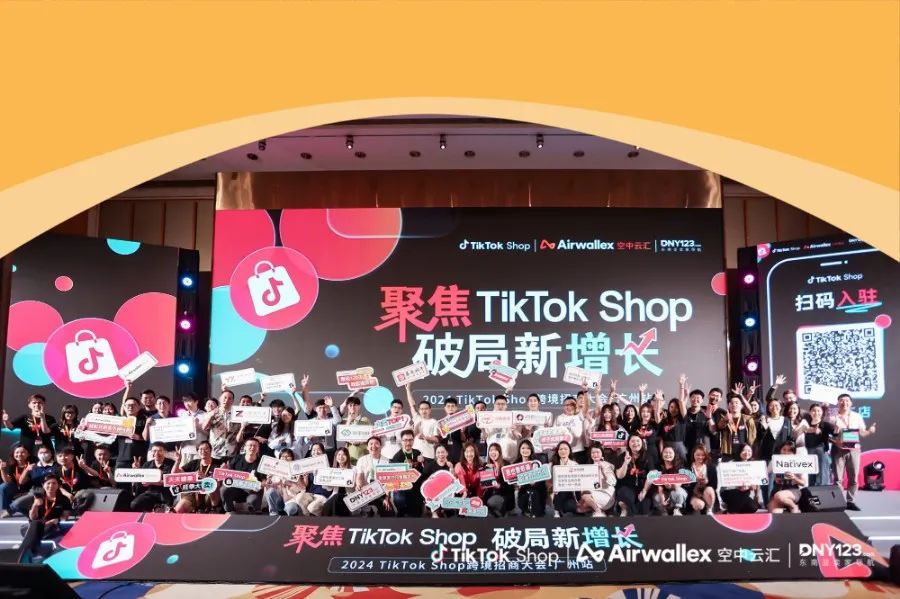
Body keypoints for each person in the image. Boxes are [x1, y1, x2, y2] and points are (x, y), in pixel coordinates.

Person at [830, 393, 876, 511]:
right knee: (838, 479)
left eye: (847, 400)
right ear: (838, 402)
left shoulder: (857, 416)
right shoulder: (832, 417)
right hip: (838, 449)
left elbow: (862, 433)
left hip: (854, 450)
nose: (844, 402)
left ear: (851, 403)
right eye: (841, 400)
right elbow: (828, 436)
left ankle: (851, 501)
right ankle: (839, 502)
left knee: (854, 478)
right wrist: (836, 442)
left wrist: (870, 431)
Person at [7, 446, 61, 516]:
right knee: (17, 504)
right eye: (41, 452)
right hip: (36, 490)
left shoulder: (57, 466)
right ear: (37, 454)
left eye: (46, 452)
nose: (43, 454)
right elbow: (21, 482)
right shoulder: (33, 466)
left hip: (52, 490)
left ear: (51, 454)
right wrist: (27, 470)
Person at [172, 441, 221, 513]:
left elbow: (219, 483)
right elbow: (174, 474)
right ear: (197, 451)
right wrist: (177, 461)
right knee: (179, 509)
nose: (203, 451)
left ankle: (213, 510)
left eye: (206, 449)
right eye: (200, 449)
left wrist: (206, 479)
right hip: (193, 494)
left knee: (213, 489)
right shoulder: (194, 463)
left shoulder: (218, 463)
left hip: (209, 494)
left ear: (211, 450)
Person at [27, 474, 71, 554]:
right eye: (48, 483)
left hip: (53, 525)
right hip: (37, 526)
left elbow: (65, 516)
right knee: (35, 525)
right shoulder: (36, 497)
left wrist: (57, 520)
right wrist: (35, 505)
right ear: (43, 485)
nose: (51, 486)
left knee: (56, 534)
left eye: (54, 483)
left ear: (58, 485)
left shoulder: (64, 500)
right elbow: (33, 518)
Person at [222, 438, 266, 513]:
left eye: (255, 446)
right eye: (250, 445)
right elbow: (229, 473)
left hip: (252, 491)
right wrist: (224, 470)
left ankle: (255, 510)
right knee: (224, 489)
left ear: (258, 448)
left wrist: (264, 483)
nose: (252, 448)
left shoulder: (262, 462)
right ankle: (230, 510)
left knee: (253, 500)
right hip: (237, 490)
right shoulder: (237, 458)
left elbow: (264, 480)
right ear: (245, 447)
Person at [550, 441, 594, 516]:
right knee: (560, 490)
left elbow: (581, 481)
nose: (563, 451)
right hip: (557, 494)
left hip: (571, 494)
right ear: (557, 451)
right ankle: (557, 511)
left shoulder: (574, 464)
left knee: (576, 509)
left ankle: (574, 508)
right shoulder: (552, 465)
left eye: (565, 449)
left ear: (569, 451)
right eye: (561, 449)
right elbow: (548, 481)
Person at [614, 435, 654, 516]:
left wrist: (644, 491)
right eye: (632, 441)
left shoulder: (648, 456)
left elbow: (652, 475)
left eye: (638, 441)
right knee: (624, 496)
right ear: (628, 444)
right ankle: (624, 509)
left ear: (642, 443)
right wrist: (625, 463)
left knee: (643, 508)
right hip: (627, 486)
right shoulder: (623, 456)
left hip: (643, 487)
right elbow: (619, 476)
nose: (635, 443)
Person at [352, 437, 392, 516]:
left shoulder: (387, 461)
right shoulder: (362, 460)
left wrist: (387, 497)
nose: (373, 446)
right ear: (367, 447)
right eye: (371, 444)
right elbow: (360, 476)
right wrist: (358, 485)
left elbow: (389, 482)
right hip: (366, 491)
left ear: (381, 446)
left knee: (388, 511)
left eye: (376, 443)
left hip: (381, 491)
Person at [130, 442, 176, 512]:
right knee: (134, 504)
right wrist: (137, 470)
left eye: (160, 450)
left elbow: (171, 481)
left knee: (168, 510)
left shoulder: (172, 464)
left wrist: (152, 482)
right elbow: (142, 482)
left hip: (166, 494)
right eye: (154, 451)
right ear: (151, 452)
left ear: (164, 452)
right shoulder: (147, 464)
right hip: (150, 493)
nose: (157, 453)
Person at [390, 429, 427, 517]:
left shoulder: (417, 453)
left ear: (413, 440)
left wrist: (423, 462)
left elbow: (424, 471)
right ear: (401, 441)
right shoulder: (397, 457)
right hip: (403, 489)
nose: (408, 443)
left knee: (416, 515)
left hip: (416, 488)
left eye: (410, 440)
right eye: (405, 440)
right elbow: (394, 478)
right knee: (401, 505)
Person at [719, 443, 761, 513]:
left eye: (749, 451)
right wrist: (738, 486)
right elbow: (726, 484)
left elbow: (756, 481)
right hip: (729, 491)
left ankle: (730, 509)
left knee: (753, 507)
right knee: (746, 492)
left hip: (743, 493)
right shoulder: (730, 464)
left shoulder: (752, 465)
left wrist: (753, 486)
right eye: (744, 450)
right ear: (739, 451)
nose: (747, 453)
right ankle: (731, 512)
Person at [768, 440, 808, 514]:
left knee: (779, 496)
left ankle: (793, 506)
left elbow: (803, 483)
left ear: (794, 453)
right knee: (774, 513)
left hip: (793, 490)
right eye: (784, 449)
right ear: (780, 450)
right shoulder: (774, 461)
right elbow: (765, 474)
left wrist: (794, 478)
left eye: (790, 450)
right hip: (777, 489)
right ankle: (788, 508)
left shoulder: (799, 463)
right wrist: (775, 479)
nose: (786, 452)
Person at [203, 386, 240, 461]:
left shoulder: (237, 414)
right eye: (225, 397)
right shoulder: (212, 413)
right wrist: (211, 416)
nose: (226, 400)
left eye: (230, 398)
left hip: (231, 451)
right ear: (220, 399)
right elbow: (204, 427)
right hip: (216, 451)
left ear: (232, 401)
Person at [801, 403, 834, 486]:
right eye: (814, 411)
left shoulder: (826, 424)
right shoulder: (805, 424)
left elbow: (835, 434)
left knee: (823, 472)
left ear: (822, 412)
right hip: (808, 451)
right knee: (809, 473)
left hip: (821, 451)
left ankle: (823, 489)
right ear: (810, 412)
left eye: (819, 411)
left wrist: (837, 430)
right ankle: (810, 490)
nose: (816, 413)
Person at [717, 392, 757, 460]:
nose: (734, 405)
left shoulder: (748, 419)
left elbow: (752, 435)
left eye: (736, 403)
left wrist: (749, 448)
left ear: (741, 406)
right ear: (729, 406)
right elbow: (719, 427)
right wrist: (726, 420)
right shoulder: (724, 418)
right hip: (728, 452)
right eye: (732, 403)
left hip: (744, 452)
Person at [480, 393, 518, 462]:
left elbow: (518, 436)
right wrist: (482, 429)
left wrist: (514, 430)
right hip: (493, 456)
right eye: (498, 404)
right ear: (494, 405)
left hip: (509, 456)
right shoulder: (488, 418)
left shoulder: (513, 417)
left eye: (503, 404)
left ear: (506, 406)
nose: (500, 406)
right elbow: (484, 437)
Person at [114, 397, 148, 474]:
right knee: (120, 481)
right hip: (122, 458)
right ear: (124, 407)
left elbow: (151, 438)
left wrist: (139, 437)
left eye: (133, 405)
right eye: (128, 405)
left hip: (139, 458)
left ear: (139, 407)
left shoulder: (145, 421)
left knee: (139, 480)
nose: (130, 407)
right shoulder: (118, 421)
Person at [514, 439, 547, 517]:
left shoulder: (537, 463)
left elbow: (542, 480)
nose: (525, 450)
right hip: (523, 491)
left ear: (531, 450)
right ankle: (526, 508)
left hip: (537, 490)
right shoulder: (515, 464)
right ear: (519, 450)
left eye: (528, 448)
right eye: (523, 448)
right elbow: (512, 481)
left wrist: (536, 482)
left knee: (534, 494)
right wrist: (516, 484)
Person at [405, 384, 439, 460]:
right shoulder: (417, 418)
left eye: (426, 409)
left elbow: (436, 439)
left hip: (428, 455)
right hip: (415, 454)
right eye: (422, 409)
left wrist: (424, 437)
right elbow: (411, 405)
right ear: (419, 410)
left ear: (430, 410)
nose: (424, 411)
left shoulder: (434, 422)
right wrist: (408, 389)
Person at [652, 446, 688, 515]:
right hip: (664, 491)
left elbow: (678, 484)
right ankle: (664, 511)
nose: (668, 454)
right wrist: (662, 497)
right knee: (657, 497)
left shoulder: (679, 466)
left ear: (674, 455)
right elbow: (659, 485)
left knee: (678, 493)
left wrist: (671, 486)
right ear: (662, 455)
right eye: (665, 452)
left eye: (670, 453)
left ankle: (677, 510)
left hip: (676, 489)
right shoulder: (658, 466)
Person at [582, 445, 617, 516]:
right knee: (582, 499)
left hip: (606, 493)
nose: (595, 454)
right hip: (594, 492)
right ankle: (598, 510)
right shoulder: (588, 467)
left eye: (597, 452)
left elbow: (613, 482)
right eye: (593, 453)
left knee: (585, 497)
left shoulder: (608, 465)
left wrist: (603, 470)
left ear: (602, 454)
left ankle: (598, 511)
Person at [481, 443, 514, 517]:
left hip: (503, 495)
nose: (493, 452)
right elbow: (484, 485)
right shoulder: (485, 465)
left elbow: (510, 487)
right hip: (490, 495)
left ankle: (502, 514)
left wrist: (499, 486)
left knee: (492, 502)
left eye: (495, 450)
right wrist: (486, 471)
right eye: (491, 450)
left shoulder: (506, 465)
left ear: (499, 452)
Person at [422, 444, 455, 518]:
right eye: (438, 452)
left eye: (443, 452)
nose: (441, 454)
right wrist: (429, 480)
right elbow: (423, 481)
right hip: (433, 493)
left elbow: (454, 481)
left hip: (446, 492)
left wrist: (452, 468)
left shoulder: (450, 465)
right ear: (436, 454)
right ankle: (434, 513)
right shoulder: (430, 465)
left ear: (447, 453)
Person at [0, 445, 32, 518]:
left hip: (28, 492)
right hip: (16, 490)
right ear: (13, 454)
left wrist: (27, 470)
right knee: (3, 486)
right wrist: (2, 470)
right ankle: (6, 510)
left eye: (22, 452)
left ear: (28, 454)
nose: (19, 454)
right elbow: (7, 481)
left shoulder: (31, 465)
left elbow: (22, 482)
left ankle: (14, 508)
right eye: (17, 452)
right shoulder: (12, 466)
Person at [686, 444, 718, 514]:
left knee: (709, 489)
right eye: (698, 455)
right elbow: (685, 486)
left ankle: (709, 509)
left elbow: (714, 486)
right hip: (694, 494)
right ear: (693, 455)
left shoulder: (711, 468)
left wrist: (707, 482)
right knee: (699, 505)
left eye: (703, 455)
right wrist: (695, 480)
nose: (700, 457)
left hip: (707, 493)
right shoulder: (687, 469)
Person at [179, 392, 208, 466]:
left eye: (189, 401)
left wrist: (198, 425)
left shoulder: (204, 415)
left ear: (196, 402)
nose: (187, 403)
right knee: (184, 470)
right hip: (185, 449)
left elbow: (208, 433)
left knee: (197, 470)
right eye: (185, 401)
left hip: (198, 450)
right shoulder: (182, 415)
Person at [340, 396, 371, 464]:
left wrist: (360, 442)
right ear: (347, 407)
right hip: (349, 453)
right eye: (350, 405)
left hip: (362, 452)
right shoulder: (344, 421)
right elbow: (342, 436)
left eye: (355, 405)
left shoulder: (365, 420)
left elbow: (370, 436)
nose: (352, 407)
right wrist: (348, 421)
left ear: (359, 406)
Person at [556, 396, 587, 463]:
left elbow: (586, 406)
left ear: (576, 406)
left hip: (578, 451)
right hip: (564, 452)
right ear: (564, 406)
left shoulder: (579, 416)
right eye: (567, 405)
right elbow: (554, 433)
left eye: (572, 405)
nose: (569, 407)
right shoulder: (559, 418)